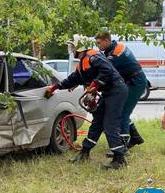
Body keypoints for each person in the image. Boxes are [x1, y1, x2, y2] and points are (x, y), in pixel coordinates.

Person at [45, 35, 129, 169]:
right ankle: (85, 152)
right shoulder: (83, 62)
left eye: (73, 46)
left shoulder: (93, 56)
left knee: (110, 124)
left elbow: (106, 71)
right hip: (109, 92)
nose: (71, 49)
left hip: (117, 91)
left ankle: (119, 159)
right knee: (97, 123)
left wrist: (94, 85)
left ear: (80, 46)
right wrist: (54, 87)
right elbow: (72, 79)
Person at [95, 31, 147, 149]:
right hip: (130, 81)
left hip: (135, 82)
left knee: (122, 113)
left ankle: (122, 147)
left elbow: (105, 71)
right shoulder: (115, 47)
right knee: (123, 111)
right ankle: (135, 137)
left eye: (99, 43)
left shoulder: (116, 53)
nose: (98, 45)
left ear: (107, 40)